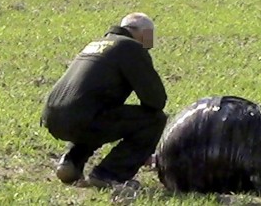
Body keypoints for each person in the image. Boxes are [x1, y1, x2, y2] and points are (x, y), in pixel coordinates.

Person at [40, 12, 168, 189]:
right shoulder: (130, 48)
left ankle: (71, 163)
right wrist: (142, 145)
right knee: (154, 119)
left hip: (52, 117)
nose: (151, 42)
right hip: (83, 118)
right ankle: (108, 174)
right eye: (150, 36)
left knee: (99, 112)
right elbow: (156, 100)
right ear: (144, 34)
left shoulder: (96, 44)